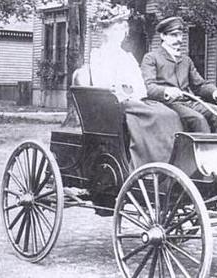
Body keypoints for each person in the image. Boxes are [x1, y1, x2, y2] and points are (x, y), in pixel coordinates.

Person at [72, 3, 183, 169]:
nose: (120, 33)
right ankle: (146, 166)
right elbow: (105, 86)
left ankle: (168, 165)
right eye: (115, 29)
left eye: (123, 29)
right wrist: (123, 91)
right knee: (160, 117)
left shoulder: (127, 57)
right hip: (113, 104)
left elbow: (139, 85)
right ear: (105, 31)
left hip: (134, 100)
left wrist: (134, 92)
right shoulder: (99, 56)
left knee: (170, 114)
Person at [141, 16, 217, 133]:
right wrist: (167, 91)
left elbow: (199, 85)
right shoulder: (151, 58)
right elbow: (148, 87)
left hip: (187, 103)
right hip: (166, 104)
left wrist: (215, 93)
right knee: (197, 119)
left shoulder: (185, 60)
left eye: (180, 35)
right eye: (174, 35)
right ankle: (202, 151)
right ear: (163, 36)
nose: (179, 39)